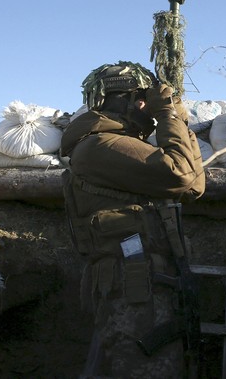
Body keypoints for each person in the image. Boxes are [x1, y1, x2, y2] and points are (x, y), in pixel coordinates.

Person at [60, 61, 205, 378]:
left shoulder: (120, 144)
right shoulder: (100, 145)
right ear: (124, 100)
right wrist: (166, 114)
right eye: (143, 98)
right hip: (131, 287)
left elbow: (193, 184)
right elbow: (179, 173)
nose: (147, 106)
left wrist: (177, 118)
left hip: (142, 282)